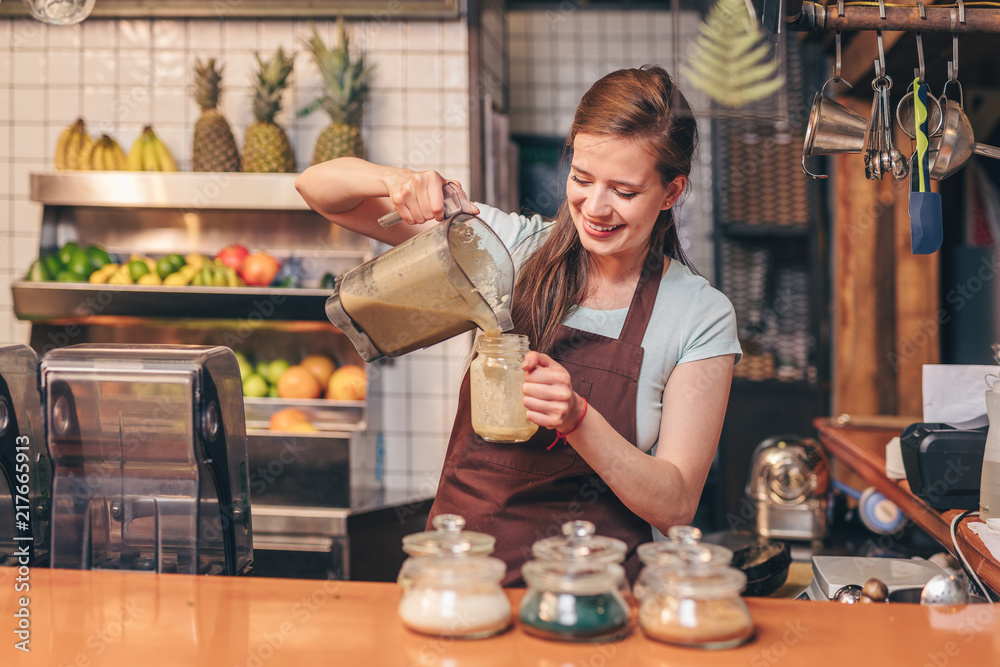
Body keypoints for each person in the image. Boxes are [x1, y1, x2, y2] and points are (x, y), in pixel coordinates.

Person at [296, 65, 741, 585]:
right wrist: (398, 181)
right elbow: (317, 189)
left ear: (671, 193)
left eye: (623, 190)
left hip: (591, 598)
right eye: (581, 178)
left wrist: (577, 418)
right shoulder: (506, 248)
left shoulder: (699, 316)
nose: (594, 207)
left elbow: (676, 503)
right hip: (459, 581)